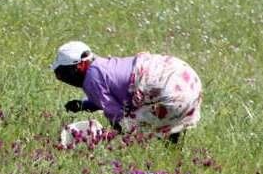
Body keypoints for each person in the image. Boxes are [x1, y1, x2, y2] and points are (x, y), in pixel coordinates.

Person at [51, 40, 203, 143]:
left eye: (63, 74)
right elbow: (116, 93)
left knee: (133, 126)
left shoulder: (91, 79)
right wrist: (84, 105)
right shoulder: (101, 66)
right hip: (187, 80)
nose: (62, 79)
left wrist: (114, 139)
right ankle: (173, 154)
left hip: (172, 92)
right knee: (166, 122)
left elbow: (115, 114)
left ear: (79, 66)